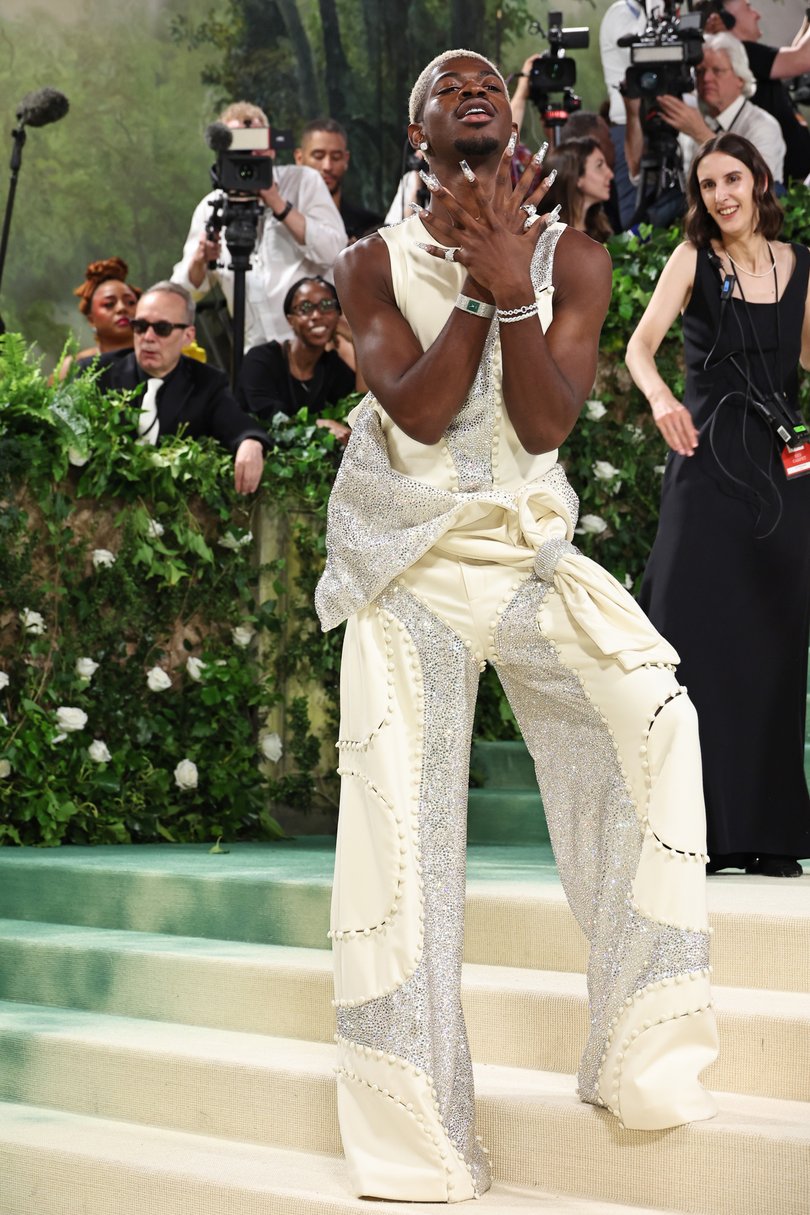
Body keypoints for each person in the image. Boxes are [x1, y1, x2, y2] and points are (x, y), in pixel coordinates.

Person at [316, 48, 717, 1205]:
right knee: (407, 843)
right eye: (445, 87)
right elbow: (427, 415)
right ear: (417, 140)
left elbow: (541, 421)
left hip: (523, 553)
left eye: (485, 80)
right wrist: (488, 285)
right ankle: (420, 1135)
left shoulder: (578, 258)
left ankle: (640, 1048)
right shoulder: (368, 262)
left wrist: (516, 278)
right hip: (408, 569)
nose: (471, 89)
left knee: (655, 715)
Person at [625, 131, 810, 878]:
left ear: (760, 180)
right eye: (707, 185)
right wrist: (664, 397)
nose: (721, 195)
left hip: (782, 471)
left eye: (732, 179)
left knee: (774, 644)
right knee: (690, 637)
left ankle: (766, 829)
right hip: (704, 468)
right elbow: (641, 346)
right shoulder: (692, 260)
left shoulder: (799, 264)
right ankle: (692, 830)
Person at [172, 102, 347, 351]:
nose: (250, 155)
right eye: (240, 146)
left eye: (257, 145)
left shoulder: (303, 182)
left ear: (272, 149)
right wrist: (200, 260)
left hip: (315, 350)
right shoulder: (211, 206)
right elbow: (184, 291)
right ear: (224, 153)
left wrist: (277, 203)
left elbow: (334, 253)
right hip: (255, 354)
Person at [89, 282, 268, 494]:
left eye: (162, 329)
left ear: (188, 336)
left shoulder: (207, 383)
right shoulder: (96, 375)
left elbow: (238, 425)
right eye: (140, 326)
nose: (148, 338)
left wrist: (251, 443)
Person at [625, 34, 786, 193]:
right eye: (700, 72)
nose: (707, 78)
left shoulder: (762, 125)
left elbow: (759, 185)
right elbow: (641, 176)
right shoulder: (691, 120)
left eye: (717, 71)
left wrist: (701, 134)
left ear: (740, 78)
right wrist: (633, 116)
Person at [237, 276, 360, 443]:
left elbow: (359, 401)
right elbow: (272, 419)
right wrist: (320, 425)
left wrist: (356, 340)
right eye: (305, 307)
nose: (317, 315)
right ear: (290, 319)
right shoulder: (260, 360)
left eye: (326, 306)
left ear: (337, 315)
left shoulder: (331, 365)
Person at [702, 0, 810, 181]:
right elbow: (800, 59)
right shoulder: (743, 52)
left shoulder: (748, 56)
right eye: (748, 7)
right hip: (787, 187)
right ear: (727, 20)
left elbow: (794, 54)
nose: (757, 14)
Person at [599, 0, 649, 226]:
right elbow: (640, 55)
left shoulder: (645, 13)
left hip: (657, 122)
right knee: (633, 210)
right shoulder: (622, 12)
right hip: (626, 125)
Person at [294, 118, 383, 242]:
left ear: (346, 160)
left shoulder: (369, 226)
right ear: (299, 158)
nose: (327, 166)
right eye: (318, 156)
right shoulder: (281, 219)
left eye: (336, 157)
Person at [58, 257, 140, 380]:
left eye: (130, 302)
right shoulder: (73, 367)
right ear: (91, 320)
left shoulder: (164, 357)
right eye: (109, 304)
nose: (122, 308)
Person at [542, 137, 615, 242]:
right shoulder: (549, 237)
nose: (610, 174)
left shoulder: (602, 232)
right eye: (599, 166)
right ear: (576, 177)